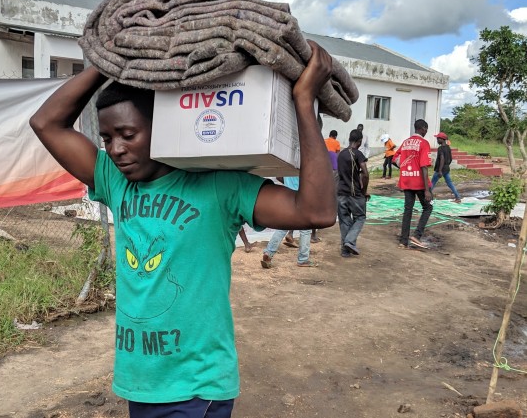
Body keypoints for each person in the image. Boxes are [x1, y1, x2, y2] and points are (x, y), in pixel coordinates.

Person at [29, 40, 336, 417]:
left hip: (196, 385)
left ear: (165, 129)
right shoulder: (114, 181)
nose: (116, 149)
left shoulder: (220, 185)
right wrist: (110, 63)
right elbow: (45, 123)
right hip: (139, 381)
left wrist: (304, 102)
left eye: (128, 134)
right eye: (107, 139)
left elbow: (316, 212)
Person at [393, 119, 433, 249]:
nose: (426, 131)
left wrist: (404, 169)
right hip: (419, 182)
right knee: (428, 207)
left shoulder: (405, 142)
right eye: (426, 129)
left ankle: (403, 241)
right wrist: (427, 190)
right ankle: (417, 235)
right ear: (423, 128)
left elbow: (394, 159)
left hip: (406, 180)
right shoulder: (424, 143)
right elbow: (424, 166)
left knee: (408, 210)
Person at [261, 177, 316, 268]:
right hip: (301, 197)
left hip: (287, 197)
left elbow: (278, 177)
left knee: (283, 227)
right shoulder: (303, 165)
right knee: (305, 230)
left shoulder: (289, 163)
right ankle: (303, 259)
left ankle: (269, 252)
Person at [337, 129, 369, 257]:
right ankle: (350, 242)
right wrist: (364, 191)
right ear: (360, 141)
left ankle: (345, 250)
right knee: (360, 217)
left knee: (345, 221)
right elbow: (365, 174)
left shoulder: (341, 154)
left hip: (341, 192)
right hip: (354, 193)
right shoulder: (358, 154)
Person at [431, 132, 461, 203]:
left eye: (438, 139)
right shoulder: (448, 148)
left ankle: (426, 198)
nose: (437, 140)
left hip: (440, 169)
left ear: (442, 139)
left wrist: (440, 170)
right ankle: (458, 198)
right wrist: (447, 165)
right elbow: (450, 159)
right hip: (446, 168)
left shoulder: (440, 148)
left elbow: (442, 159)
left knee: (432, 183)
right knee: (450, 183)